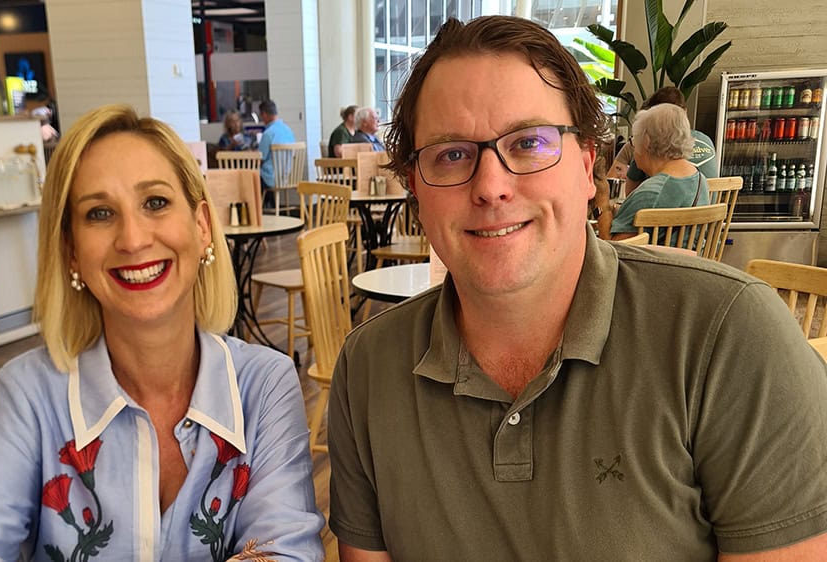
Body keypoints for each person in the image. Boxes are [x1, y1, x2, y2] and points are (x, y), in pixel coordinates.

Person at [328, 15, 827, 561]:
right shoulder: (368, 370)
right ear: (416, 189)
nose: (491, 186)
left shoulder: (730, 339)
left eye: (529, 142)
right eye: (451, 154)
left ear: (589, 165)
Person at [0, 104, 325, 562]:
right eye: (100, 213)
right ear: (70, 250)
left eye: (155, 203)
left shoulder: (264, 385)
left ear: (202, 226)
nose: (132, 238)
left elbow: (287, 551)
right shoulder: (28, 394)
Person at [599, 103, 709, 241]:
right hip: (690, 261)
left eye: (634, 141)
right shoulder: (699, 179)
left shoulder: (650, 193)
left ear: (646, 142)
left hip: (653, 262)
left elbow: (613, 251)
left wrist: (602, 203)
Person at [607, 86, 717, 189]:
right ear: (685, 111)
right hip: (710, 207)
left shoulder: (648, 146)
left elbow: (630, 192)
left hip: (664, 207)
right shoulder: (706, 140)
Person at [256, 99, 296, 196]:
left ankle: (256, 209)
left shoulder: (268, 134)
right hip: (288, 177)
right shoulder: (288, 130)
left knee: (250, 176)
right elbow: (294, 155)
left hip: (271, 179)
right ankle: (270, 204)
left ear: (264, 114)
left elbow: (259, 159)